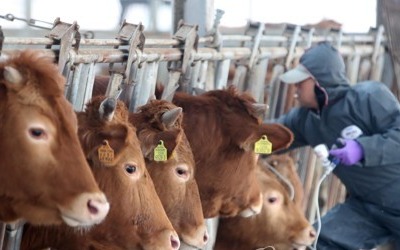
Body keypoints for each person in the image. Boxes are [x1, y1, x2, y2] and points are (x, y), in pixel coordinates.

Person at [276, 41, 400, 249]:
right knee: (318, 243)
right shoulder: (305, 120)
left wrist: (362, 149)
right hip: (367, 209)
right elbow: (274, 141)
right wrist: (248, 145)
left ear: (319, 83)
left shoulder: (369, 97)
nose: (295, 89)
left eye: (300, 82)